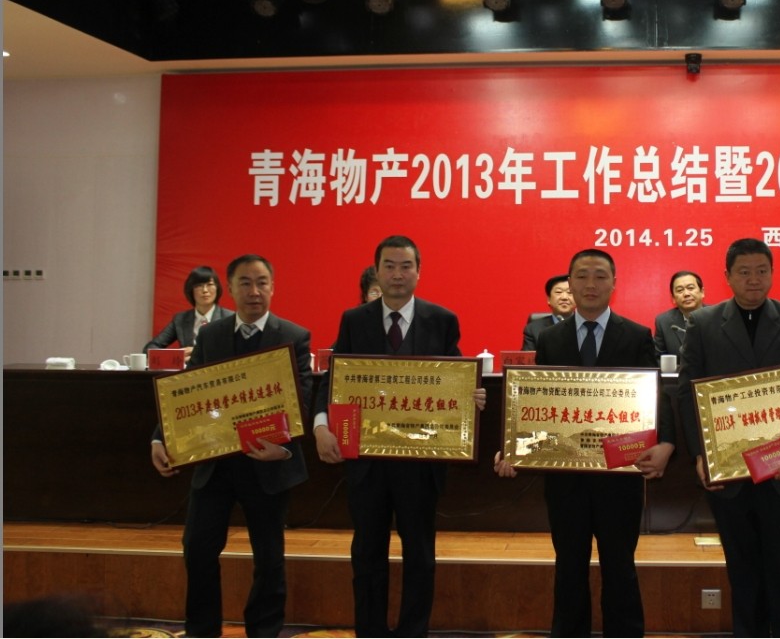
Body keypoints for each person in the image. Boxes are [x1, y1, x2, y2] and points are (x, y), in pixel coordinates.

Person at [312, 235, 487, 637]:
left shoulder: (441, 319)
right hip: (367, 463)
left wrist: (472, 396)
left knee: (419, 555)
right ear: (376, 272)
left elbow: (457, 377)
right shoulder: (354, 320)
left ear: (418, 272)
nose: (397, 274)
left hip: (420, 463)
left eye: (405, 266)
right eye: (389, 266)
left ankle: (413, 631)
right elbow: (334, 379)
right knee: (367, 553)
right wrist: (321, 425)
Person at [495, 248, 675, 637]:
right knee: (569, 565)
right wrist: (512, 445)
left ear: (614, 283)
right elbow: (537, 403)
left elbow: (657, 396)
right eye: (582, 276)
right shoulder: (549, 338)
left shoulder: (637, 335)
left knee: (620, 565)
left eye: (599, 276)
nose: (590, 284)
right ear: (570, 283)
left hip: (619, 473)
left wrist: (666, 443)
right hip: (566, 477)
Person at [150, 254, 312, 638]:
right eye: (245, 283)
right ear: (231, 288)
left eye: (262, 283)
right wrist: (161, 437)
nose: (254, 291)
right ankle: (202, 630)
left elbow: (302, 398)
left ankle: (264, 631)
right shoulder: (211, 336)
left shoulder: (293, 336)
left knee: (269, 558)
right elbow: (187, 392)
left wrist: (284, 447)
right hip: (216, 464)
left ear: (272, 287)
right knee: (197, 548)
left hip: (269, 463)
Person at [677, 238, 780, 636]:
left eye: (761, 271)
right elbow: (687, 392)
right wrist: (701, 455)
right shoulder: (703, 323)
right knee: (743, 568)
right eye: (744, 272)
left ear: (772, 273)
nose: (754, 279)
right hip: (729, 470)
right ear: (727, 277)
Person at [143, 265, 234, 364]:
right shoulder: (180, 319)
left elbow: (237, 353)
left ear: (217, 288)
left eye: (210, 284)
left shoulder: (230, 318)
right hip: (187, 372)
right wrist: (177, 356)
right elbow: (150, 349)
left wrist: (196, 352)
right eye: (199, 285)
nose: (205, 290)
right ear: (191, 290)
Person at [653, 270, 705, 360]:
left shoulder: (717, 316)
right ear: (673, 298)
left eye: (690, 288)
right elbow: (658, 359)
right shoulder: (663, 322)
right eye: (680, 290)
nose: (686, 294)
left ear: (702, 292)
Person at [521, 274, 575, 350]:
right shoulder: (533, 329)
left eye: (570, 292)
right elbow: (528, 357)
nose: (564, 297)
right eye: (558, 292)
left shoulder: (587, 326)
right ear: (549, 299)